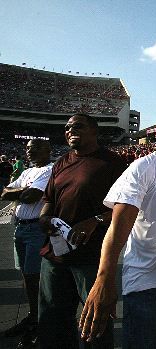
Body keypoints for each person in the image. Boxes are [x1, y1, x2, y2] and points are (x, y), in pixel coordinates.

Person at [79, 114, 156, 348]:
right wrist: (104, 278)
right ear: (155, 134)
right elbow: (118, 226)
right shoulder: (142, 168)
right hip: (146, 282)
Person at [38, 113, 126, 349]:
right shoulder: (61, 162)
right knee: (52, 322)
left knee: (94, 326)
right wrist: (45, 216)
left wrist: (94, 220)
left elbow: (126, 209)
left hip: (91, 258)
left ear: (94, 131)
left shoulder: (112, 162)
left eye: (77, 126)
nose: (70, 130)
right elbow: (49, 199)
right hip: (55, 256)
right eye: (67, 128)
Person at [1, 139, 53, 348]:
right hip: (20, 227)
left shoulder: (49, 170)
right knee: (26, 276)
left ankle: (42, 323)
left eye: (35, 148)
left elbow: (32, 196)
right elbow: (4, 193)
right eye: (28, 148)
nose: (29, 151)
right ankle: (33, 317)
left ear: (48, 150)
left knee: (36, 279)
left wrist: (19, 191)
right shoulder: (29, 171)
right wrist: (22, 190)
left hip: (35, 230)